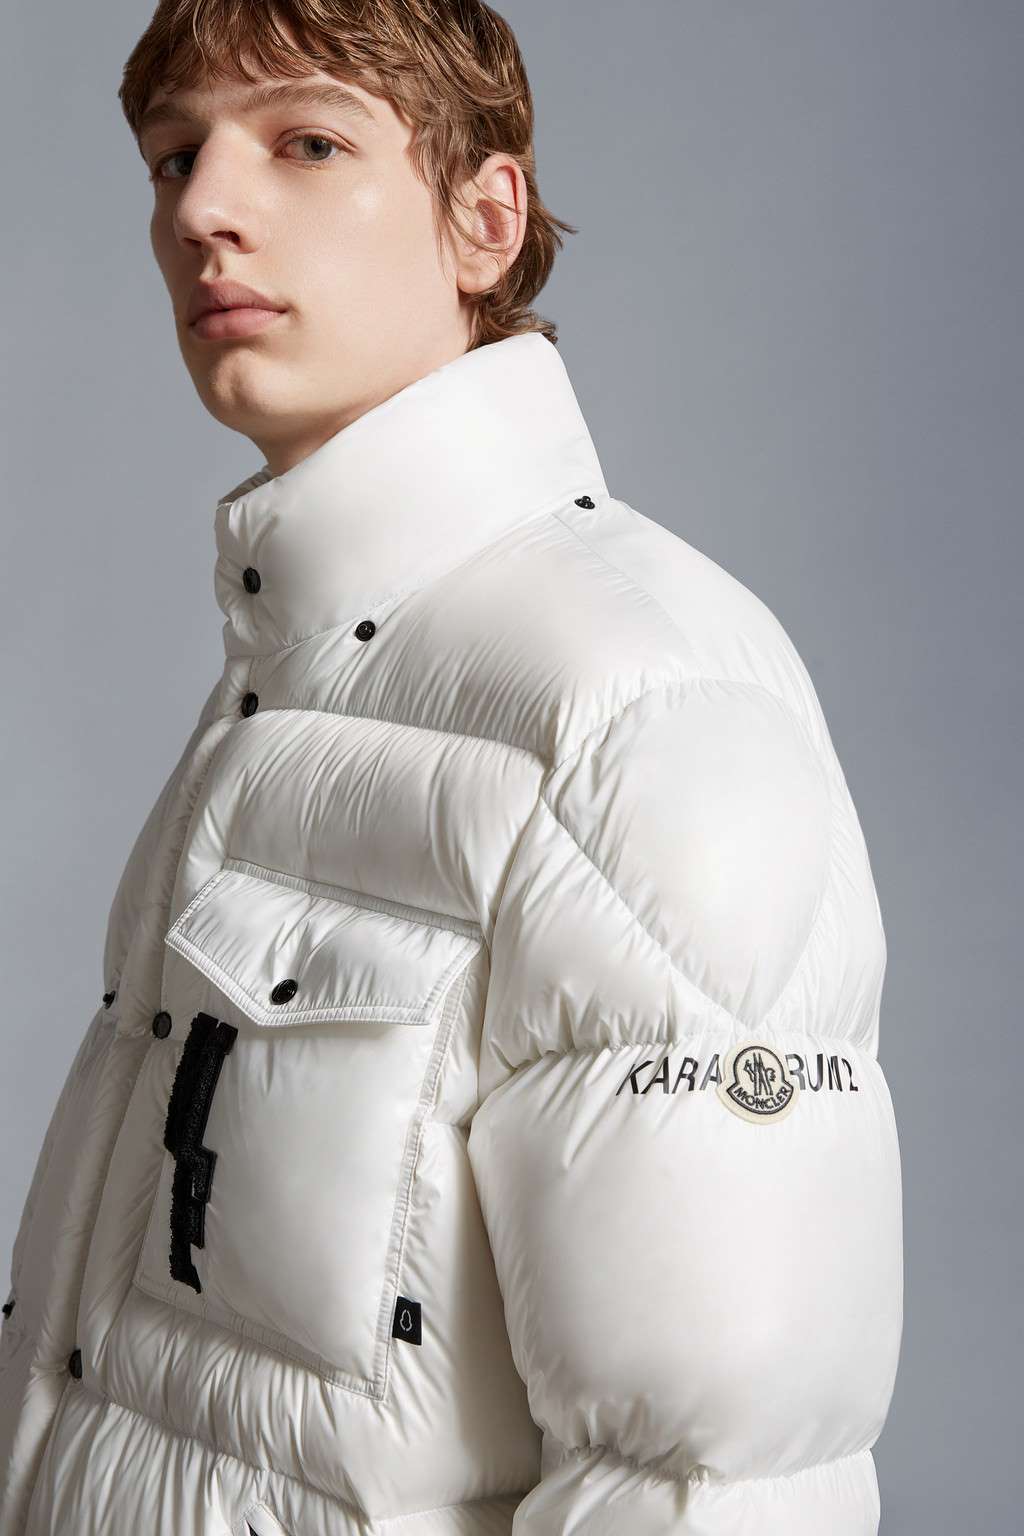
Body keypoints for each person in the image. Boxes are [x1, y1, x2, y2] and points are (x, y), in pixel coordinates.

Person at [0, 3, 904, 1533]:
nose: (205, 209)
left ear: (484, 221)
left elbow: (708, 1480)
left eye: (306, 143)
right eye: (172, 157)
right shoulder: (300, 667)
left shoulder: (638, 704)